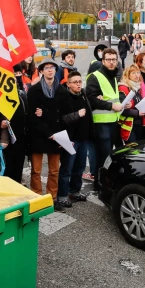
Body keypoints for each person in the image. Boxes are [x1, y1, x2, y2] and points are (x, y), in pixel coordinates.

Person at [86, 48, 125, 190]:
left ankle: (104, 181)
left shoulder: (113, 76)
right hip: (101, 122)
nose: (111, 62)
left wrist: (118, 102)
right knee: (103, 156)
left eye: (114, 60)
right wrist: (110, 106)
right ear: (103, 61)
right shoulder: (95, 76)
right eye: (108, 59)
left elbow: (113, 96)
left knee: (110, 154)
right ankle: (100, 184)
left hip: (113, 121)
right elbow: (90, 99)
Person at [27, 59, 63, 207]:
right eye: (46, 68)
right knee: (36, 170)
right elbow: (31, 115)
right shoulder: (34, 90)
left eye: (52, 67)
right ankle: (36, 198)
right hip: (38, 134)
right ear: (41, 71)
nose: (50, 70)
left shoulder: (61, 90)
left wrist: (46, 113)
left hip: (56, 135)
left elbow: (63, 113)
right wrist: (47, 127)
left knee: (54, 171)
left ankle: (52, 197)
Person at [56, 71, 93, 210]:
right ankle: (62, 195)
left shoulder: (83, 94)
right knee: (67, 169)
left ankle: (75, 191)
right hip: (70, 140)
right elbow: (62, 119)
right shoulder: (64, 98)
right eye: (75, 82)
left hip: (83, 139)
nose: (78, 84)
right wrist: (77, 114)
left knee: (80, 167)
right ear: (68, 84)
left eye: (80, 81)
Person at [4, 81, 28, 184]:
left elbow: (26, 117)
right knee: (7, 170)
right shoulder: (1, 98)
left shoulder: (21, 97)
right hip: (5, 140)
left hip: (20, 139)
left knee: (18, 168)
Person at [118, 65, 145, 143]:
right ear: (128, 75)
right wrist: (137, 113)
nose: (137, 75)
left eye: (138, 73)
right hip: (128, 126)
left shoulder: (137, 86)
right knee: (132, 150)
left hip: (139, 123)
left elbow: (138, 103)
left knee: (139, 148)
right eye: (133, 73)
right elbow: (122, 109)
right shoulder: (123, 88)